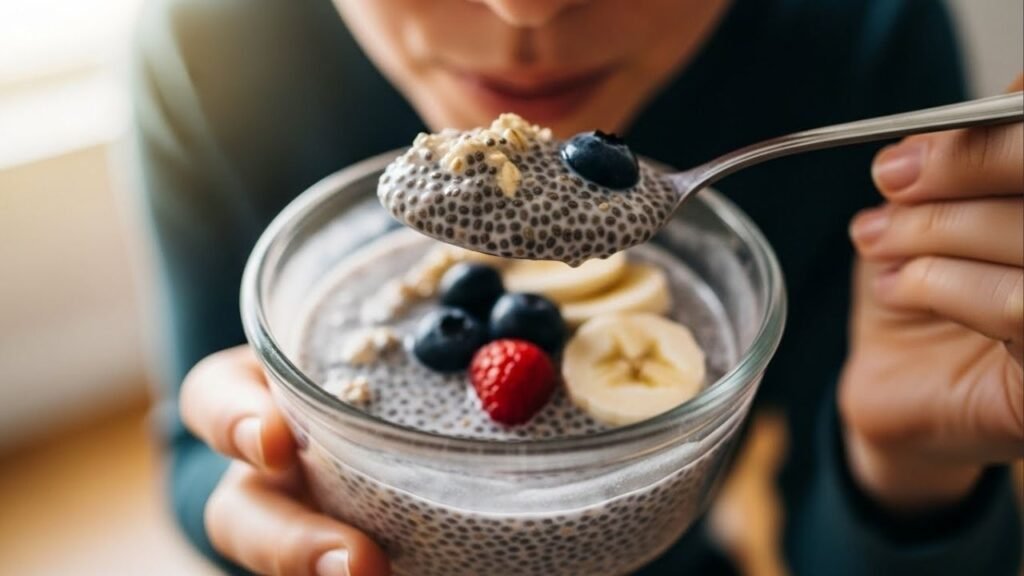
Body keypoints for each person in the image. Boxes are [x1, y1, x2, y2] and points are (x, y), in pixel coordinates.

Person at [131, 0, 1023, 574]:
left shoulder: (866, 37)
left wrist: (909, 463)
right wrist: (255, 484)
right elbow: (195, 450)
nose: (528, 8)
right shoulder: (213, 47)